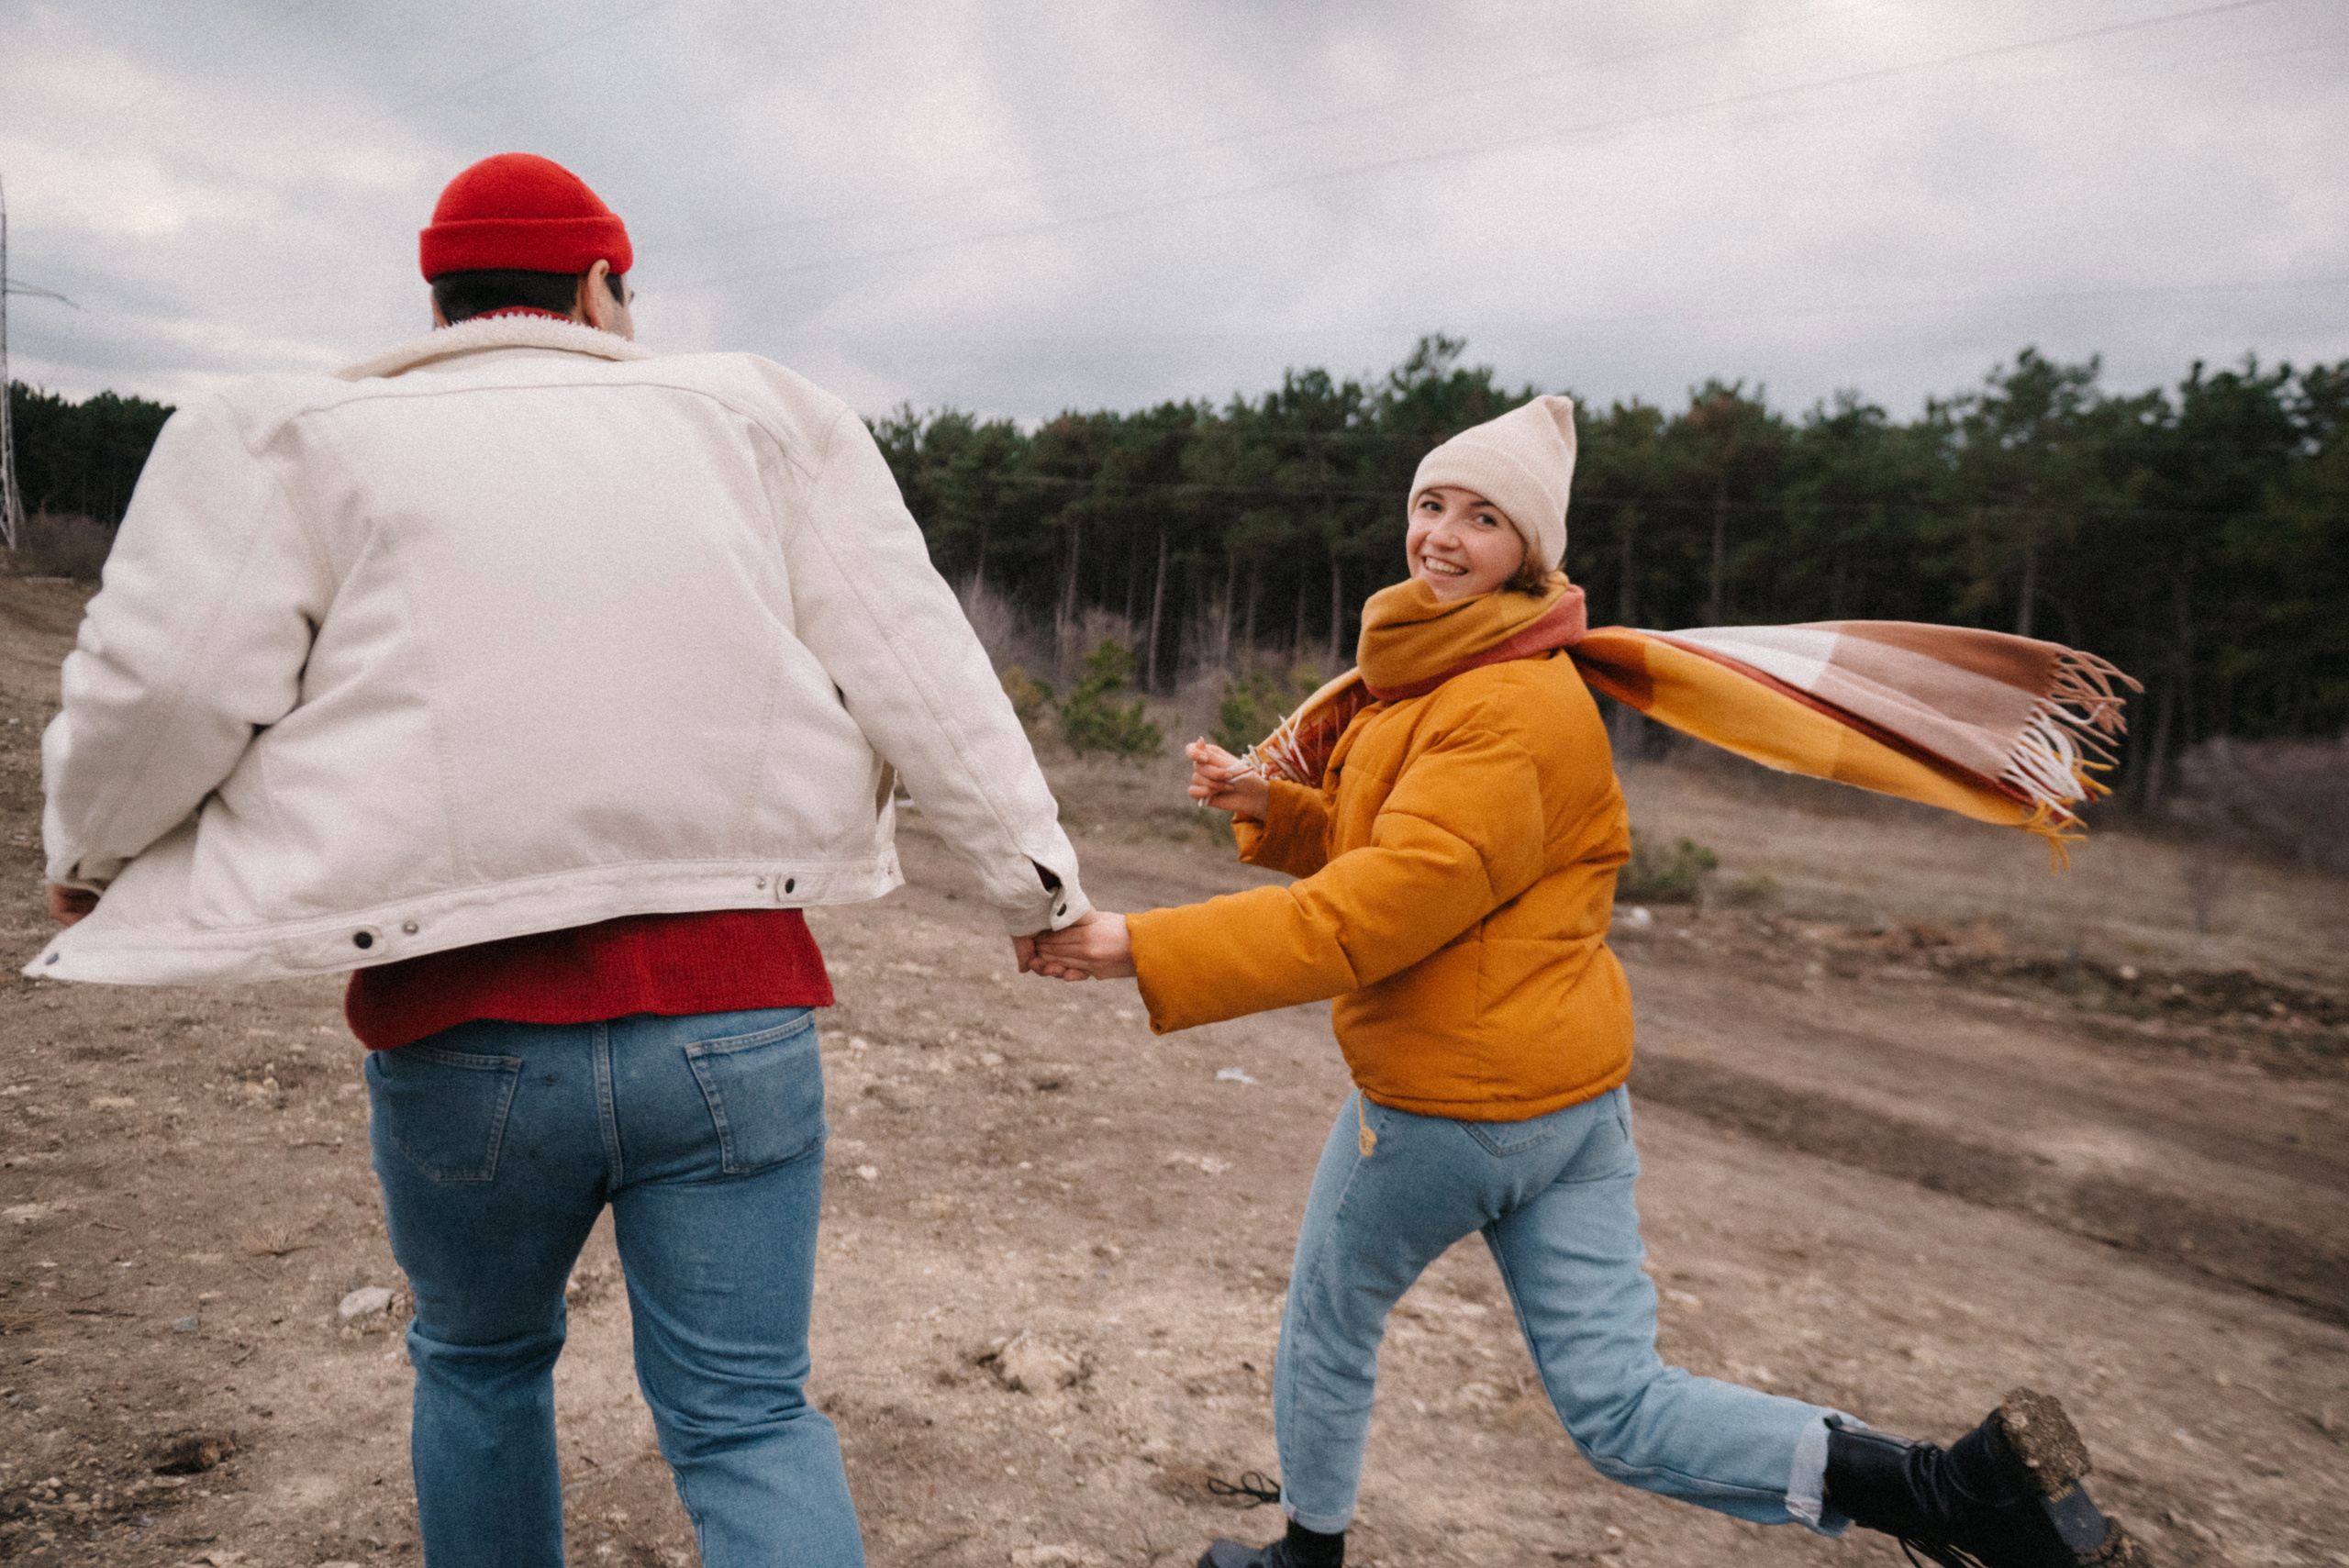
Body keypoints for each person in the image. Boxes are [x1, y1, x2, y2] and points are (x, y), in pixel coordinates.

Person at [34, 152, 1089, 1568]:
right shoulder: (762, 413)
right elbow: (917, 659)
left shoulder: (302, 433)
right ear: (600, 286)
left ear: (442, 297)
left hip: (465, 1031)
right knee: (745, 1418)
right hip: (735, 1016)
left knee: (478, 1367)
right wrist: (1039, 886)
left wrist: (93, 852)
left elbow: (161, 687)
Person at [1028, 397, 2144, 1568]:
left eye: (1482, 516)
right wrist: (1282, 807)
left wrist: (1140, 944)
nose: (1442, 536)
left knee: (1326, 1322)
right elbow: (1437, 859)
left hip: (1449, 1108)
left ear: (1531, 550)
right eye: (1429, 505)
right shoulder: (1466, 672)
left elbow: (1375, 914)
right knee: (1619, 1404)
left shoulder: (1499, 704)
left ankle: (1304, 1555)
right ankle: (1947, 1490)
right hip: (1571, 1103)